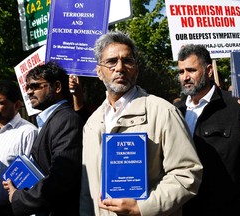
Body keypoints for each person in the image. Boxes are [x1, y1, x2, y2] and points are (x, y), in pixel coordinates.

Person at [79, 31, 203, 216]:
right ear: (99, 71)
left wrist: (142, 208)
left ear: (136, 69)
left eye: (127, 61)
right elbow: (88, 189)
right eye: (111, 62)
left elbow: (187, 174)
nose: (119, 68)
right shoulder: (91, 124)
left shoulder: (163, 112)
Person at [175, 44, 240, 216]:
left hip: (229, 208)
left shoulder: (237, 107)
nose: (185, 77)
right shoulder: (176, 110)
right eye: (181, 72)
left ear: (209, 70)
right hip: (187, 207)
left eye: (191, 70)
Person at [2, 61, 84, 216]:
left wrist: (20, 197)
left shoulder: (67, 120)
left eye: (35, 86)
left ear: (57, 87)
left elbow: (61, 180)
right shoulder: (52, 120)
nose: (29, 92)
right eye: (27, 87)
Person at [0, 80, 37, 216]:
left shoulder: (28, 132)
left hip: (13, 209)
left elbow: (32, 181)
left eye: (0, 103)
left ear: (17, 105)